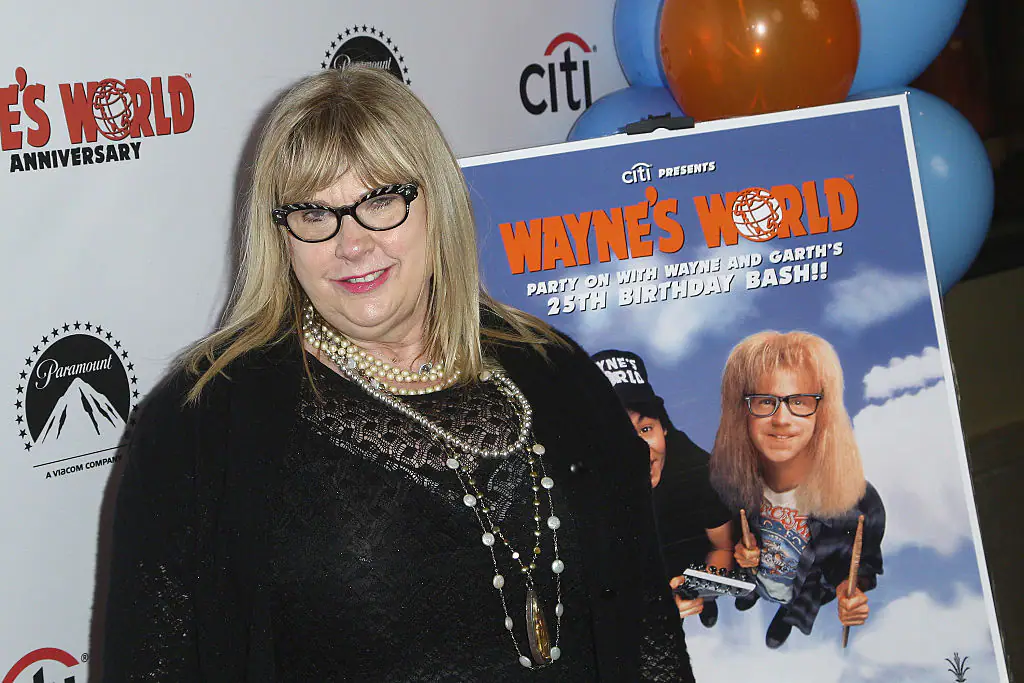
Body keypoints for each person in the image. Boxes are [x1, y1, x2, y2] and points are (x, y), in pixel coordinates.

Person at [99, 65, 695, 682]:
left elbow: (648, 630)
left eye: (380, 201)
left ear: (436, 204)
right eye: (313, 214)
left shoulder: (556, 371)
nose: (351, 244)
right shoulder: (203, 425)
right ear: (280, 236)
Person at [709, 330, 886, 649]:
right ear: (741, 411)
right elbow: (718, 534)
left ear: (824, 410)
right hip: (756, 576)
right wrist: (738, 551)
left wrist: (851, 590)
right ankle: (753, 594)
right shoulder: (729, 480)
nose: (781, 419)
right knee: (748, 591)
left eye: (799, 401)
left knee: (792, 602)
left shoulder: (859, 501)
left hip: (805, 590)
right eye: (765, 401)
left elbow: (862, 564)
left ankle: (786, 615)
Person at [591, 349, 734, 628]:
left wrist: (701, 587)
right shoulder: (581, 485)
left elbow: (722, 548)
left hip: (687, 557)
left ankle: (705, 599)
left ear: (663, 428)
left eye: (646, 429)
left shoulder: (700, 471)